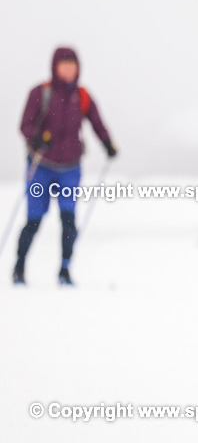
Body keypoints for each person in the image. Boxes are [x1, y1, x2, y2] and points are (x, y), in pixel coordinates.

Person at [13, 47, 117, 286]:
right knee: (34, 220)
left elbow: (97, 123)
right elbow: (25, 125)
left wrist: (108, 143)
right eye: (65, 65)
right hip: (41, 166)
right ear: (55, 67)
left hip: (70, 167)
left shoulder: (82, 96)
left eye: (73, 65)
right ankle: (19, 267)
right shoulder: (41, 93)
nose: (69, 70)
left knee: (68, 219)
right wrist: (38, 139)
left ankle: (65, 269)